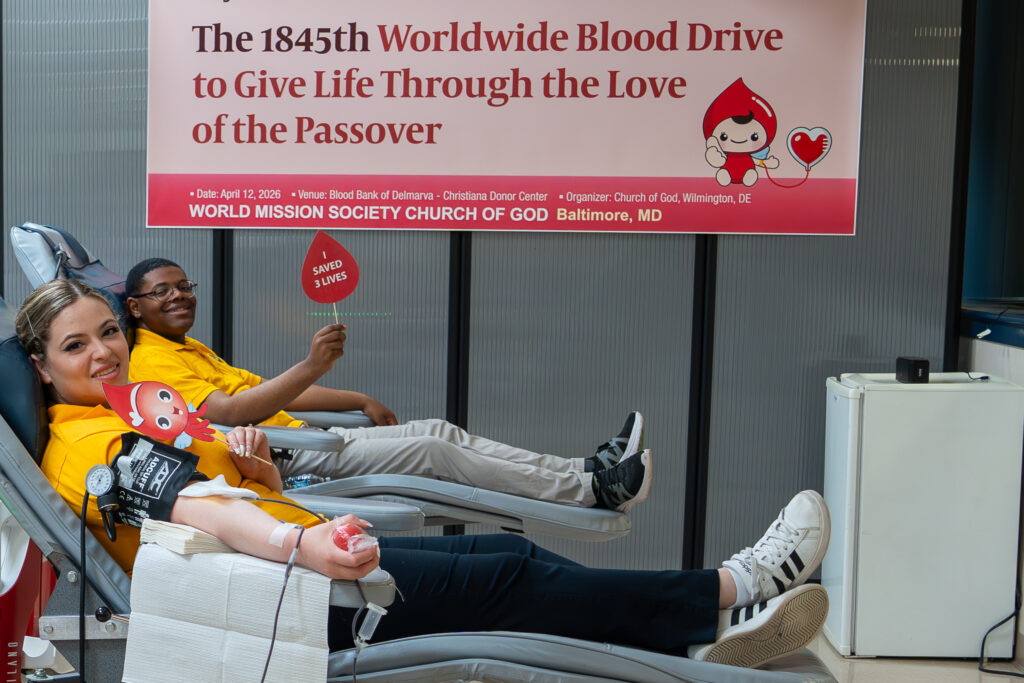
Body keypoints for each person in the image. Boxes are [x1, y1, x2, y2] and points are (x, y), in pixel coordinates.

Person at [18, 279, 831, 668]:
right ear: (43, 368)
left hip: (285, 559)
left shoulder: (128, 405)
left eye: (105, 332)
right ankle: (733, 585)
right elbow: (197, 512)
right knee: (511, 573)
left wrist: (257, 475)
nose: (104, 350)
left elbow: (214, 485)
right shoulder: (86, 442)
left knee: (505, 564)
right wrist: (303, 547)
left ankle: (706, 628)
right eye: (76, 346)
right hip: (285, 596)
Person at [124, 257, 651, 512]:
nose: (178, 297)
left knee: (441, 432)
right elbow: (229, 413)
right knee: (431, 452)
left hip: (299, 435)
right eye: (160, 292)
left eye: (184, 286)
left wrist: (357, 398)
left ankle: (586, 469)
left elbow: (270, 392)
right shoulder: (152, 360)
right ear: (135, 306)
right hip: (284, 457)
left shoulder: (186, 348)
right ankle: (590, 494)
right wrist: (312, 365)